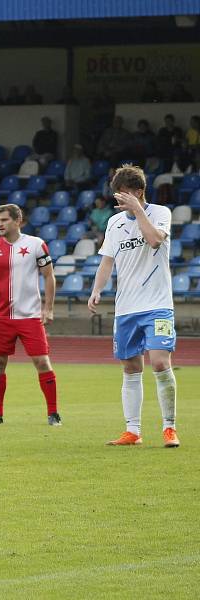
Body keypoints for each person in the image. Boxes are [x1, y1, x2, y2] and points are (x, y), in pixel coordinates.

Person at [88, 165, 179, 448]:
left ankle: (169, 428)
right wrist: (97, 289)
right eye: (117, 195)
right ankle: (133, 431)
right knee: (130, 368)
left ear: (139, 192)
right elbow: (107, 260)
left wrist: (138, 210)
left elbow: (154, 240)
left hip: (157, 304)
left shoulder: (160, 214)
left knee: (160, 362)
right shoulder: (114, 223)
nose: (120, 200)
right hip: (126, 307)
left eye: (125, 194)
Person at [0, 204, 61, 426]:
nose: (0, 224)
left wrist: (48, 308)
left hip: (30, 316)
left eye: (4, 220)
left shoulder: (36, 245)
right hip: (1, 317)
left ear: (17, 220)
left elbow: (49, 277)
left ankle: (53, 413)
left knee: (42, 361)